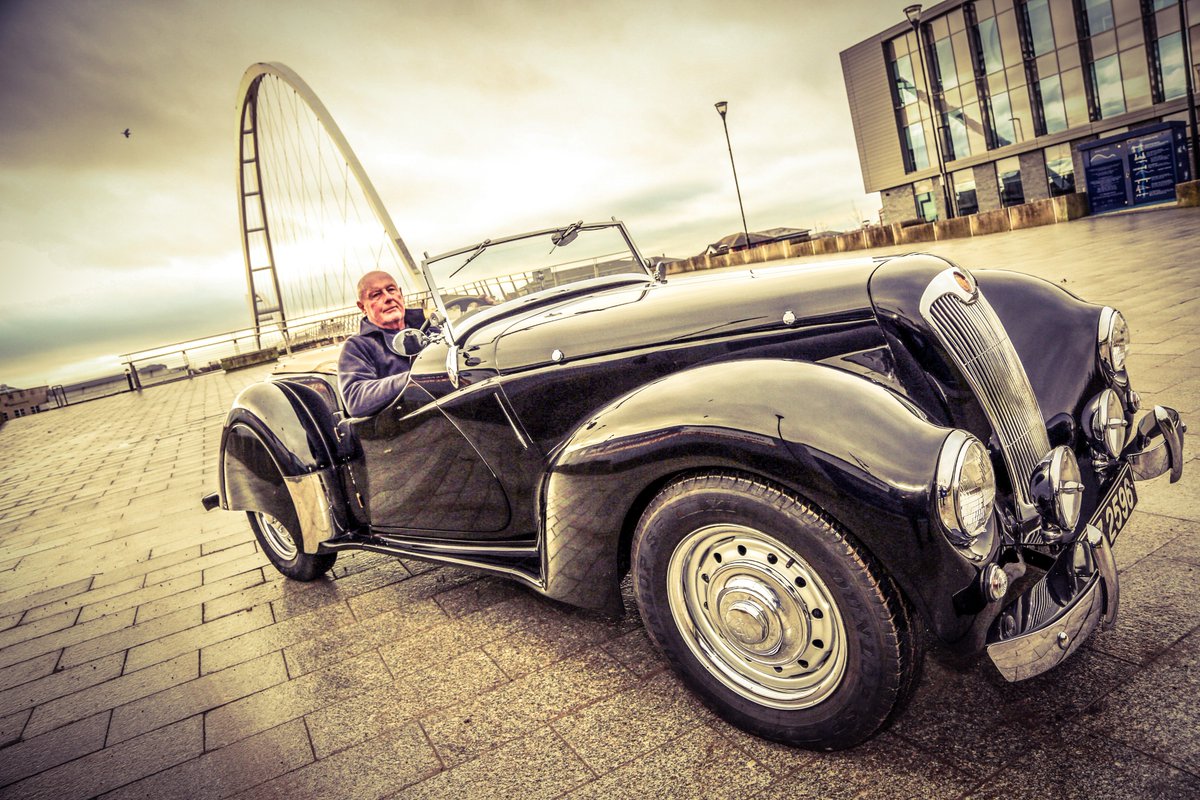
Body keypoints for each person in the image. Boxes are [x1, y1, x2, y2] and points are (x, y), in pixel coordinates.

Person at [338, 270, 427, 417]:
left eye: (391, 290)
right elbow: (355, 398)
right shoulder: (357, 346)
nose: (388, 298)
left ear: (401, 294)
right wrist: (416, 377)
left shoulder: (431, 327)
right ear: (362, 307)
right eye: (376, 295)